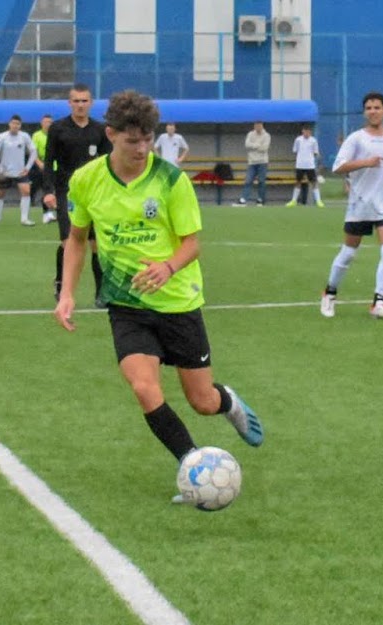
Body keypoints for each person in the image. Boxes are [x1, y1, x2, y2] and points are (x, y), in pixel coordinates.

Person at [53, 90, 263, 503]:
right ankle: (193, 466)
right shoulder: (87, 180)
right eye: (133, 140)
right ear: (111, 134)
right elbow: (77, 240)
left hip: (178, 302)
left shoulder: (171, 179)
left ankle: (230, 403)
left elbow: (191, 244)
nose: (142, 147)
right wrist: (67, 294)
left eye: (148, 138)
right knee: (145, 388)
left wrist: (167, 267)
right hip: (126, 304)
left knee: (202, 400)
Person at [319, 91, 383, 319]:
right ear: (364, 112)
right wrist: (366, 162)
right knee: (349, 252)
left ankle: (379, 303)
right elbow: (338, 166)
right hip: (361, 204)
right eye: (369, 108)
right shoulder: (356, 138)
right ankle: (330, 292)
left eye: (377, 107)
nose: (373, 111)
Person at [43, 83, 112, 303]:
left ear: (90, 103)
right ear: (69, 103)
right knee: (69, 242)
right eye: (76, 101)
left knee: (96, 245)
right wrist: (48, 191)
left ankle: (102, 293)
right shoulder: (58, 129)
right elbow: (48, 161)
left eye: (84, 101)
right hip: (67, 193)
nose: (80, 105)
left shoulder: (99, 130)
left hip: (94, 195)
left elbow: (107, 163)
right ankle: (62, 285)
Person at [0, 114, 37, 226]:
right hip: (5, 172)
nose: (15, 126)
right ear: (9, 124)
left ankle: (24, 219)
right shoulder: (2, 136)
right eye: (13, 123)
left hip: (20, 171)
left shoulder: (24, 136)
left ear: (20, 125)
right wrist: (0, 170)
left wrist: (27, 168)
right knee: (0, 194)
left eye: (18, 124)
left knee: (26, 192)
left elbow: (34, 151)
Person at [286, 124, 324, 207]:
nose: (306, 133)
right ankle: (293, 200)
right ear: (302, 131)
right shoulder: (298, 140)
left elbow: (315, 152)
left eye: (308, 131)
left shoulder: (313, 140)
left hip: (310, 165)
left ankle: (318, 201)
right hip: (300, 165)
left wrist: (313, 160)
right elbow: (295, 151)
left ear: (310, 132)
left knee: (314, 182)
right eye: (305, 131)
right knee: (298, 182)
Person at [235, 121, 270, 206]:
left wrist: (253, 146)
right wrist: (257, 145)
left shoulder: (267, 135)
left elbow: (264, 148)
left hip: (263, 162)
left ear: (262, 126)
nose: (257, 127)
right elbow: (247, 145)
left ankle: (260, 200)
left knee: (261, 181)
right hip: (252, 162)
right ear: (254, 126)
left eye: (259, 125)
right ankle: (243, 199)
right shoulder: (250, 134)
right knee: (248, 180)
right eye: (256, 125)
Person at [30, 114, 53, 217]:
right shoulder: (36, 135)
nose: (48, 124)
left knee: (49, 188)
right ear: (42, 123)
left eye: (50, 122)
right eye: (46, 122)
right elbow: (33, 152)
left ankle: (48, 211)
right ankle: (31, 200)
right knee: (36, 186)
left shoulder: (54, 134)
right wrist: (39, 163)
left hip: (53, 165)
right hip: (40, 165)